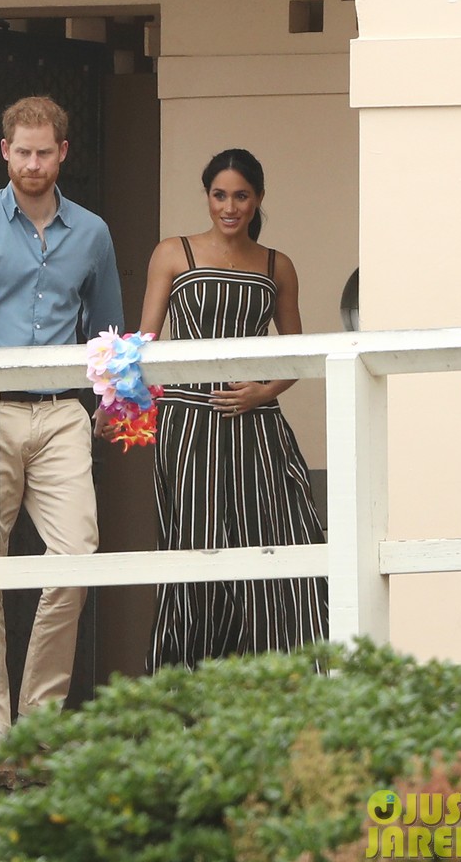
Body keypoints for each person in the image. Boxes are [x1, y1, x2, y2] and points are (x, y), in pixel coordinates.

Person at [0, 96, 124, 731]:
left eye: (44, 152)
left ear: (63, 152)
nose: (33, 164)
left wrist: (115, 404)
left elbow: (107, 329)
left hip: (63, 411)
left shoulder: (91, 232)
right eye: (22, 151)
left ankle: (39, 721)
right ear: (3, 150)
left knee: (76, 555)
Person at [139, 147, 328, 670]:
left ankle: (292, 689)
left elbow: (299, 356)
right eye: (220, 195)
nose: (230, 206)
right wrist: (118, 402)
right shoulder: (173, 253)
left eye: (241, 195)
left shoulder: (277, 265)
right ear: (207, 197)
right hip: (188, 422)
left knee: (284, 542)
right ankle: (185, 704)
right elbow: (143, 341)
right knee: (195, 552)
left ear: (258, 199)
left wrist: (262, 392)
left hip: (258, 426)